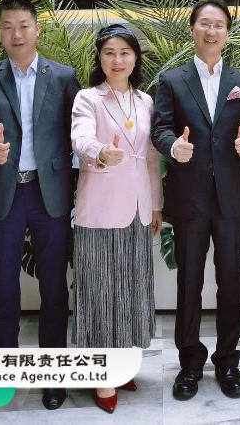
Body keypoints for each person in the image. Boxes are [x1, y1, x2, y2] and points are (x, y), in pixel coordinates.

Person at [0, 0, 80, 413]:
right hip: (5, 194)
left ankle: (52, 377)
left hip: (50, 195)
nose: (17, 34)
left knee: (54, 288)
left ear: (37, 29)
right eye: (8, 26)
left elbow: (79, 128)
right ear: (0, 31)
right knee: (4, 289)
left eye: (24, 25)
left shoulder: (63, 76)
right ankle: (1, 378)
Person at [151, 0, 240, 401]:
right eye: (204, 24)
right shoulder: (172, 80)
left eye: (218, 25)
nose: (211, 31)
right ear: (192, 30)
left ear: (227, 33)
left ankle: (228, 361)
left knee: (231, 283)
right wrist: (172, 147)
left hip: (231, 199)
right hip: (190, 198)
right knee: (189, 283)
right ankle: (190, 363)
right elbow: (161, 128)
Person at [70, 24, 163, 413]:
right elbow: (80, 137)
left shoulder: (146, 100)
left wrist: (155, 204)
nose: (117, 60)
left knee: (130, 288)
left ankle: (122, 363)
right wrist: (99, 152)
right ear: (100, 58)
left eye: (125, 52)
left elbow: (152, 157)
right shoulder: (88, 98)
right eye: (109, 52)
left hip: (139, 208)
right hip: (99, 206)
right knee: (98, 290)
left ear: (135, 58)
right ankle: (101, 375)